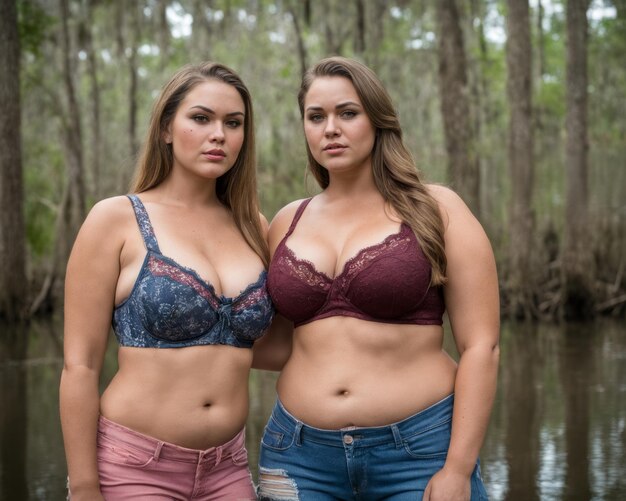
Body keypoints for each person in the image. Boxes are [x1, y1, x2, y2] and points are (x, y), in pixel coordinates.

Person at [253, 56, 499, 500]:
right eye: (316, 116)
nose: (330, 128)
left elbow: (481, 346)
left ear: (378, 120)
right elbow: (277, 344)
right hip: (298, 456)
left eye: (348, 113)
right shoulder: (287, 221)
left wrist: (458, 468)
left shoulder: (436, 209)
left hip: (420, 454)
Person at [60, 62, 273, 500]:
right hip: (136, 466)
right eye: (201, 118)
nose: (219, 134)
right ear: (166, 129)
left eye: (233, 123)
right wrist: (84, 487)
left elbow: (283, 346)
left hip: (228, 469)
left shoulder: (254, 225)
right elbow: (80, 366)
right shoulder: (116, 219)